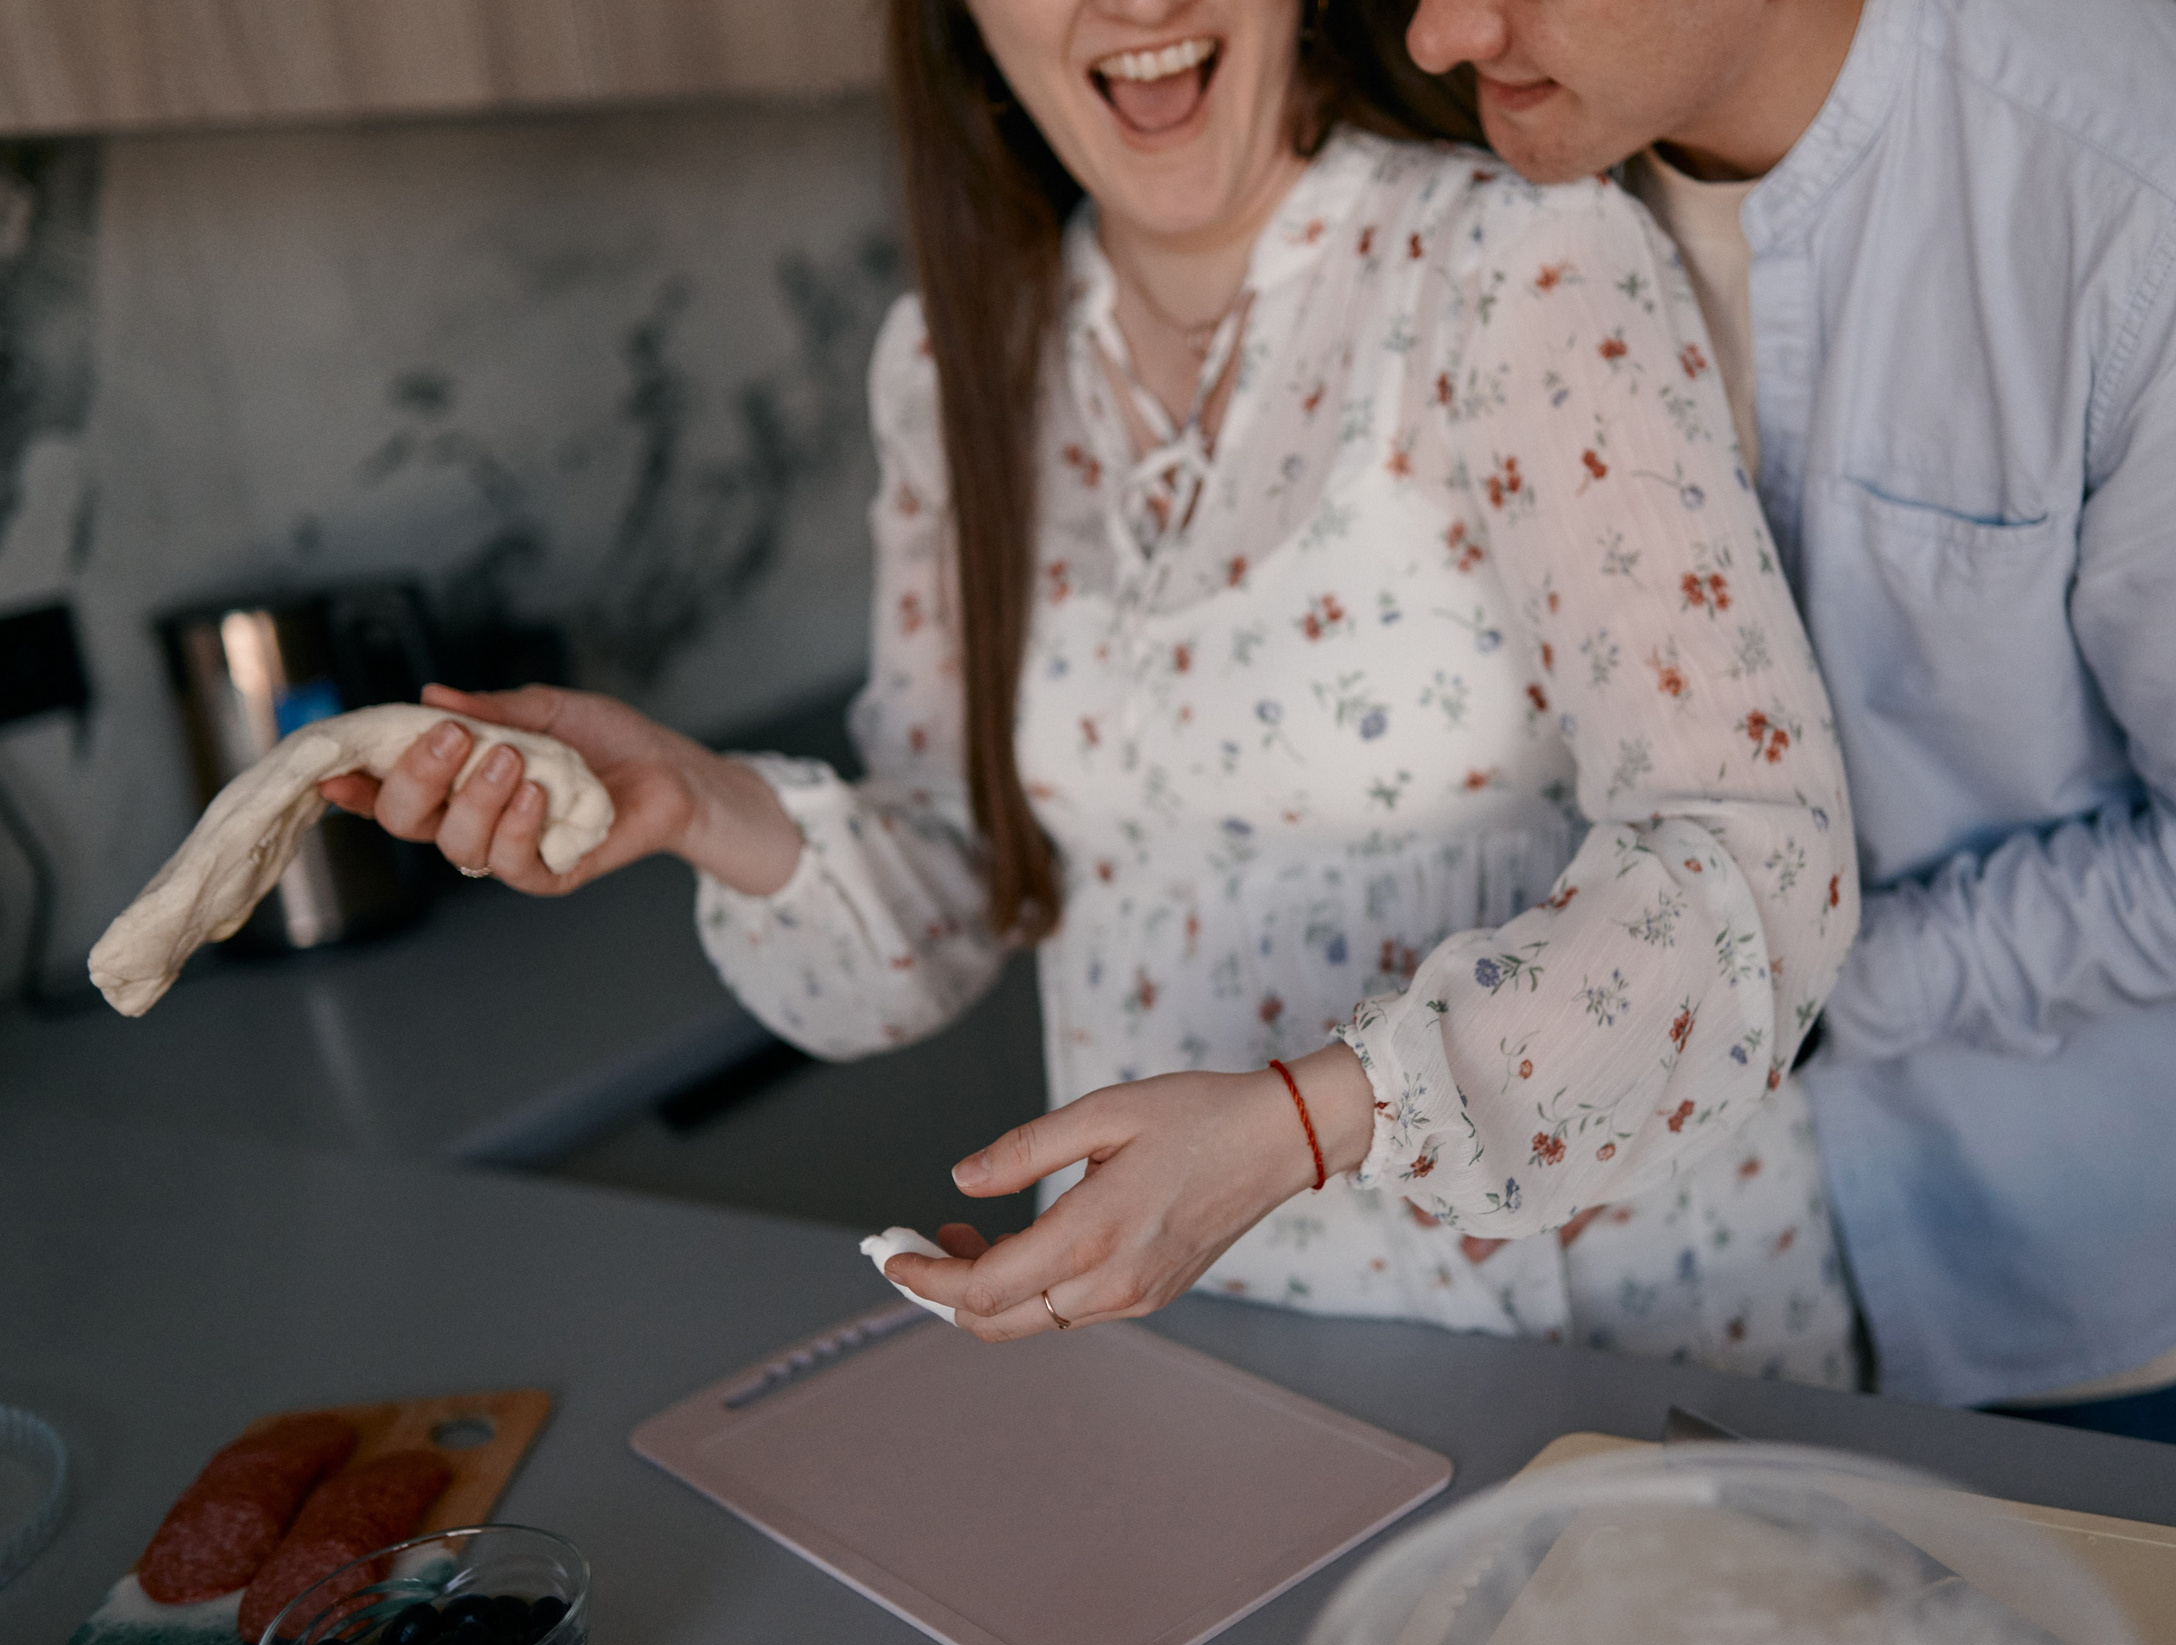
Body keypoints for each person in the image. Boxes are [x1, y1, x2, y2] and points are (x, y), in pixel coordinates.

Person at [324, 0, 1867, 1377]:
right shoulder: (955, 363)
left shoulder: (1520, 265)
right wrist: (698, 805)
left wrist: (1313, 1119)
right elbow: (949, 892)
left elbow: (1757, 863)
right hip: (1196, 1362)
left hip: (1599, 1350)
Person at [1402, 0, 2176, 1456]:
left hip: (2076, 1285)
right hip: (1650, 1287)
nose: (1442, 32)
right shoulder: (1458, 144)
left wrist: (1791, 991)